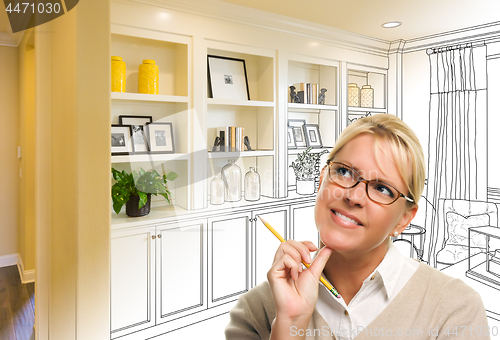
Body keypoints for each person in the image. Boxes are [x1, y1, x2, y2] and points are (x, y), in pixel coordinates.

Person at [225, 114, 490, 339]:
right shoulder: (255, 311)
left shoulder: (455, 310)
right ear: (321, 182)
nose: (353, 196)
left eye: (382, 188)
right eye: (343, 172)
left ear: (404, 219)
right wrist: (289, 325)